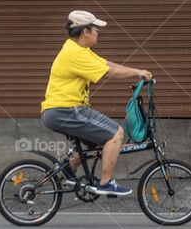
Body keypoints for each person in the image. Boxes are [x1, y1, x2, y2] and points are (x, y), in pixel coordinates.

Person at [40, 10, 153, 196]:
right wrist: (137, 73)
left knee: (95, 144)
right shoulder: (75, 53)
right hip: (66, 109)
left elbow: (108, 65)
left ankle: (67, 169)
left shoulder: (80, 50)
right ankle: (106, 183)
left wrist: (138, 70)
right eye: (95, 29)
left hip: (62, 110)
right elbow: (110, 73)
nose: (98, 32)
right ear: (85, 31)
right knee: (115, 133)